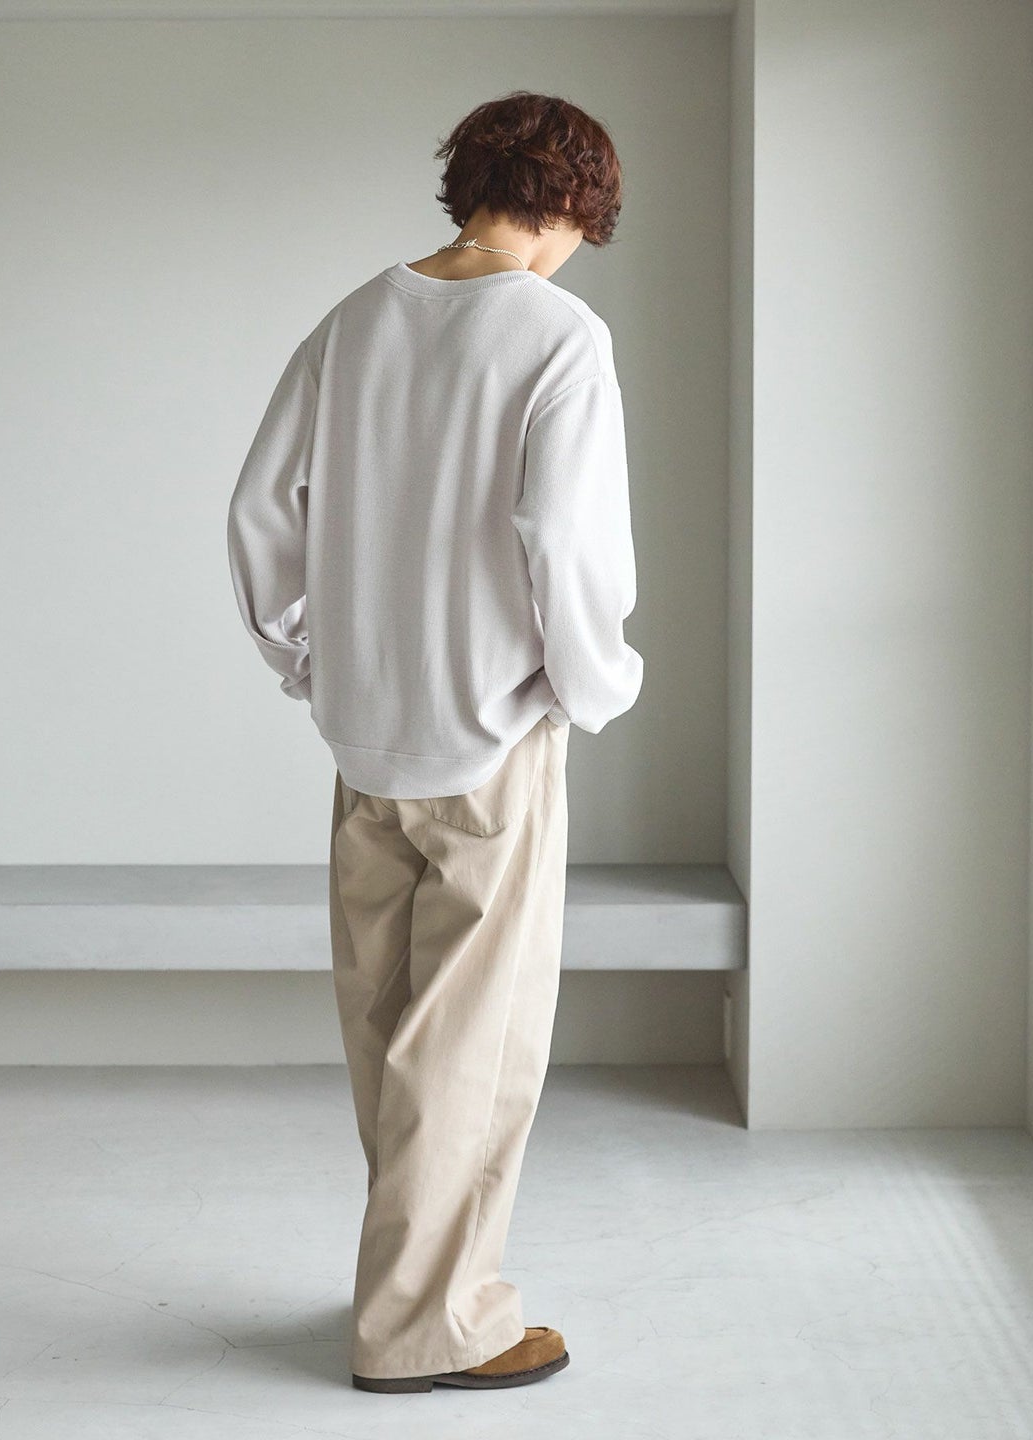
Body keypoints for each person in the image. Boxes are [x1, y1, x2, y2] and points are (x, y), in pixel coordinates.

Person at [226, 89, 643, 1393]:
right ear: (568, 205)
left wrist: (313, 664)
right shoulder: (558, 335)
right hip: (490, 740)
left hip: (366, 742)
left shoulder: (356, 319)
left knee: (390, 1030)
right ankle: (430, 1327)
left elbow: (261, 515)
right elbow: (565, 540)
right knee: (475, 1045)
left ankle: (407, 1288)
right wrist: (594, 685)